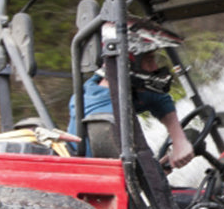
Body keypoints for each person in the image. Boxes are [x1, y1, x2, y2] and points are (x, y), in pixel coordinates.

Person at [68, 20, 194, 170]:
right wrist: (161, 170)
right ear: (126, 63)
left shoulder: (116, 86)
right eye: (149, 60)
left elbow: (159, 99)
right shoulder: (107, 119)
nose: (155, 67)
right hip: (95, 183)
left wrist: (179, 139)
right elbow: (131, 179)